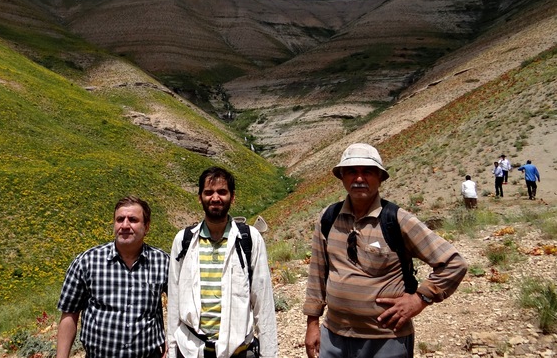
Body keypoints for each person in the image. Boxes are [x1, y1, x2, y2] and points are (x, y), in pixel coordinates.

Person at [303, 143, 467, 358]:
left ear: (380, 178)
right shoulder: (328, 218)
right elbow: (317, 274)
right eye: (352, 171)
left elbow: (454, 263)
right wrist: (313, 323)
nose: (359, 178)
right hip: (333, 337)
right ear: (342, 177)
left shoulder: (397, 220)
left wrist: (420, 299)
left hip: (385, 340)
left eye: (367, 172)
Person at [167, 166, 277, 358]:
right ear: (200, 197)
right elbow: (174, 300)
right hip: (191, 350)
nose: (215, 198)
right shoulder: (183, 241)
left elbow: (263, 300)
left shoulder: (249, 239)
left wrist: (269, 354)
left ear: (232, 197)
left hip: (237, 350)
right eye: (208, 192)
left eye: (222, 192)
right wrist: (171, 348)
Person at [56, 196, 169, 358]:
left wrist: (171, 340)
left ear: (147, 226)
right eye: (120, 219)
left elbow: (179, 307)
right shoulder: (87, 262)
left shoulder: (162, 262)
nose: (125, 225)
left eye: (133, 220)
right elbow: (69, 315)